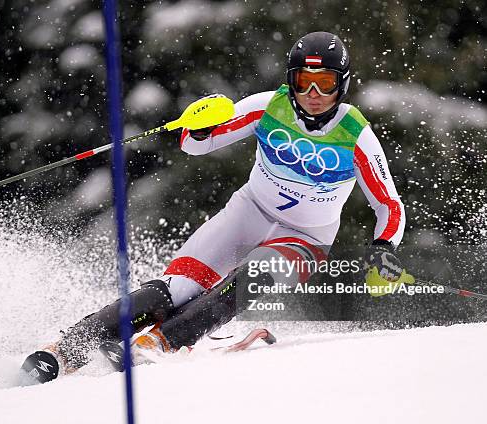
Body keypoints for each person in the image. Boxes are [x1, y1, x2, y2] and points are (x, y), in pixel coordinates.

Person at [20, 31, 405, 384]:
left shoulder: (357, 136)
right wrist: (200, 128)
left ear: (343, 84)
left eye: (326, 83)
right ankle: (63, 349)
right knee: (178, 288)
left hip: (305, 239)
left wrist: (384, 248)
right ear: (292, 79)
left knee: (252, 278)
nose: (315, 93)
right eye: (305, 81)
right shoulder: (268, 107)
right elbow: (195, 145)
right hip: (248, 213)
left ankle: (159, 343)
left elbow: (389, 205)